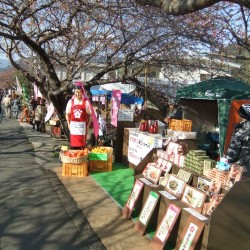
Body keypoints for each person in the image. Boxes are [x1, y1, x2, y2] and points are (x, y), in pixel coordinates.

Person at [65, 83, 94, 149]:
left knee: (82, 145)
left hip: (82, 127)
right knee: (74, 145)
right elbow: (67, 114)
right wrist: (68, 124)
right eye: (76, 92)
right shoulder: (70, 102)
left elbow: (90, 115)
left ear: (82, 92)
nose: (78, 94)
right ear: (74, 92)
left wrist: (88, 125)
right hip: (74, 127)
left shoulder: (86, 102)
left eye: (79, 92)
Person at [226, 104, 250, 174]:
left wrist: (225, 161)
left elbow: (232, 152)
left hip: (243, 168)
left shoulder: (241, 130)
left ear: (242, 115)